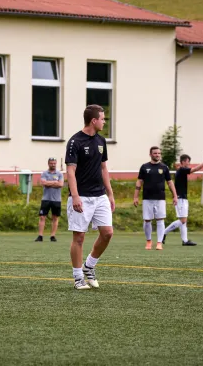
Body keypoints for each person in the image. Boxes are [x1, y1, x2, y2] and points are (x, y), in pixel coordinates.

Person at [65, 104, 115, 290]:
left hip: (99, 196)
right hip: (81, 197)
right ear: (94, 120)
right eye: (102, 118)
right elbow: (70, 171)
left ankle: (89, 266)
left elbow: (103, 168)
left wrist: (110, 194)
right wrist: (75, 196)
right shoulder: (75, 141)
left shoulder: (101, 141)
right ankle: (78, 278)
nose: (104, 121)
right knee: (79, 238)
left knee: (108, 233)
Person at [133, 146, 177, 250]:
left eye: (159, 153)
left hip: (160, 198)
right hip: (147, 198)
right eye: (155, 153)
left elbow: (170, 182)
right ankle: (148, 241)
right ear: (150, 154)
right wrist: (135, 196)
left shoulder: (164, 167)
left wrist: (175, 195)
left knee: (160, 220)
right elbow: (139, 182)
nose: (157, 155)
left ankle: (159, 243)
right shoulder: (144, 167)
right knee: (147, 220)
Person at [163, 153, 203, 246]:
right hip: (180, 198)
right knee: (183, 220)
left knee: (183, 220)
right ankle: (163, 232)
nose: (189, 164)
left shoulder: (180, 170)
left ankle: (185, 240)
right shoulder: (182, 169)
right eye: (188, 162)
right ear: (183, 162)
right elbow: (195, 169)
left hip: (182, 198)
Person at [35, 157, 64, 242]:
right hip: (46, 199)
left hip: (56, 200)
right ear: (48, 164)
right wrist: (55, 182)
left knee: (55, 217)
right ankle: (40, 236)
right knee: (42, 217)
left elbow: (61, 184)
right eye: (51, 163)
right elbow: (43, 183)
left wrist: (50, 183)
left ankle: (52, 236)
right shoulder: (44, 173)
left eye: (54, 163)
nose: (53, 165)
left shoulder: (59, 174)